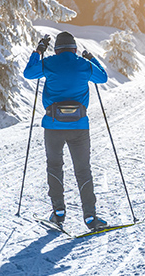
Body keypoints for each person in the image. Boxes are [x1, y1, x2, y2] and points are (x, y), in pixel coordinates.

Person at [23, 31, 109, 231]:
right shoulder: (84, 65)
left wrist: (38, 51)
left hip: (53, 126)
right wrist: (91, 58)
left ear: (57, 49)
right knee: (83, 170)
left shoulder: (50, 62)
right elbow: (103, 78)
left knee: (54, 167)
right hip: (79, 127)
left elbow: (28, 73)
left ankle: (58, 213)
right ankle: (90, 217)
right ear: (74, 49)